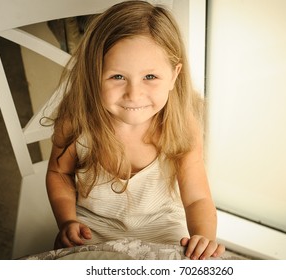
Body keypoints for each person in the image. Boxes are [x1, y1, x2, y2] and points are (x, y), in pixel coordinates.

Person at [45, 0, 225, 260]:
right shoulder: (78, 120)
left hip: (163, 229)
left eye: (150, 77)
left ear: (174, 76)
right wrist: (66, 221)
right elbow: (59, 173)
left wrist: (203, 237)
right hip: (93, 229)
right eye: (118, 77)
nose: (134, 93)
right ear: (94, 74)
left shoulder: (180, 124)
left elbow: (197, 198)